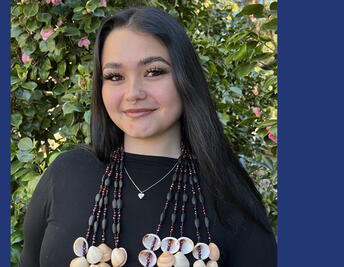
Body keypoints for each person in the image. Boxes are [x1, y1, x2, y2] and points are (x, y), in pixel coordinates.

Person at [19, 6, 277, 267]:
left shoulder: (230, 194)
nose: (133, 93)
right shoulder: (65, 173)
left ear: (185, 76)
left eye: (154, 71)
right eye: (115, 76)